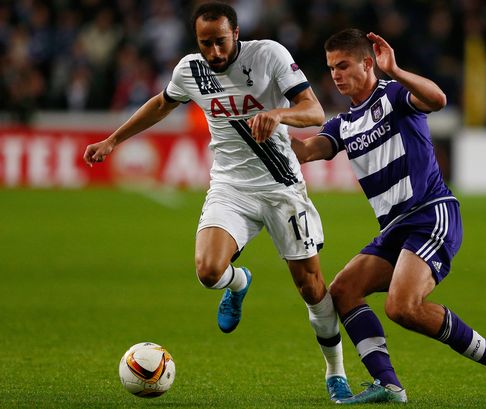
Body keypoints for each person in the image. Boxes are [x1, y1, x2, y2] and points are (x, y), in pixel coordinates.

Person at [83, 2, 352, 401]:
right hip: (231, 187)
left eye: (220, 42)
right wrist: (114, 139)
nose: (213, 52)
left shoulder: (269, 55)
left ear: (237, 33)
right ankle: (239, 282)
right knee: (208, 270)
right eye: (205, 43)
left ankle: (336, 372)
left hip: (281, 187)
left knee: (312, 288)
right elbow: (162, 103)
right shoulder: (189, 70)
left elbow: (313, 111)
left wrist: (278, 114)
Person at [291, 28, 486, 404]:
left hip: (430, 215)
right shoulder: (343, 123)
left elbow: (438, 98)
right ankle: (388, 385)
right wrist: (264, 125)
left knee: (402, 306)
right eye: (331, 67)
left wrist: (396, 70)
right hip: (395, 230)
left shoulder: (394, 95)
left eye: (343, 65)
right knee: (343, 291)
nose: (334, 74)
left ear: (368, 63)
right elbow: (305, 152)